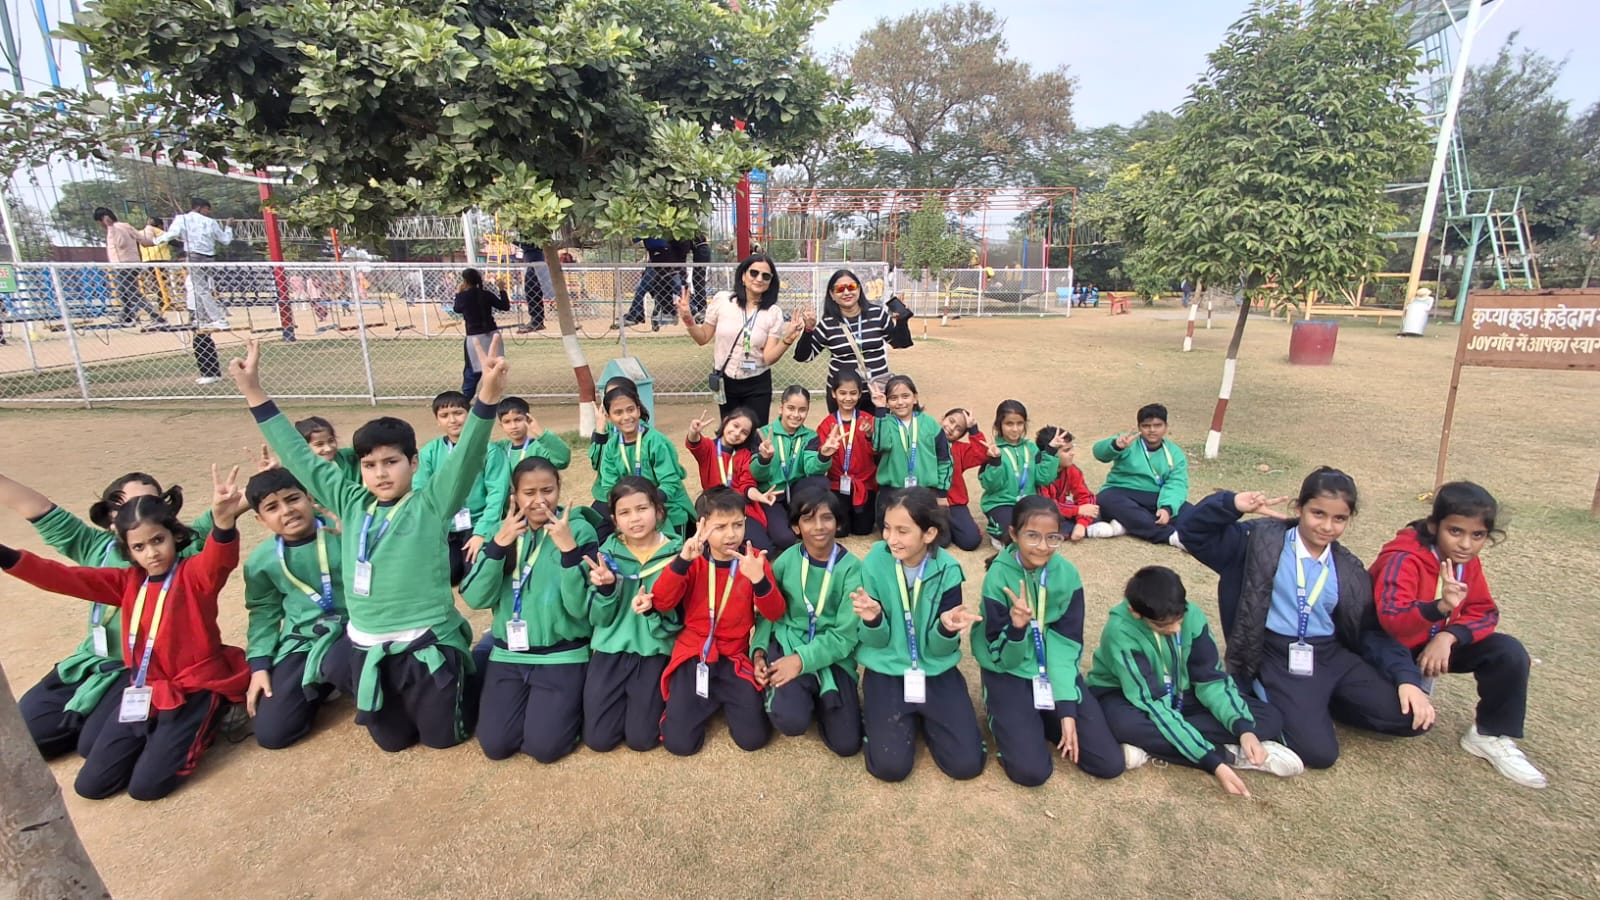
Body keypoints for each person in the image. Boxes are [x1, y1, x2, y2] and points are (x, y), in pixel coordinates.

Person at [232, 335, 508, 752]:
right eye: (369, 464)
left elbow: (468, 454)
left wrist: (487, 394)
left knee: (444, 740)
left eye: (391, 462)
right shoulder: (351, 501)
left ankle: (482, 655)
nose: (380, 473)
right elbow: (300, 458)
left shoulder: (431, 503)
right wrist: (254, 391)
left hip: (424, 644)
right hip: (368, 647)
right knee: (393, 742)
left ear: (412, 463)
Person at [0, 466, 249, 801]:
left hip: (194, 686)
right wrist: (5, 556)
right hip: (145, 685)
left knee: (146, 788)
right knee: (92, 786)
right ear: (127, 549)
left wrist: (224, 522)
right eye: (140, 547)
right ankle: (156, 739)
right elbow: (61, 578)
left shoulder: (194, 573)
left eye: (157, 540)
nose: (152, 553)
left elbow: (220, 557)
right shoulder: (126, 581)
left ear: (174, 533)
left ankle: (207, 717)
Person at [1176, 468, 1436, 770]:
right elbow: (1192, 533)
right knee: (1319, 754)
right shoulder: (1257, 542)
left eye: (1339, 519)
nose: (1326, 526)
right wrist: (1231, 504)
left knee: (1414, 718)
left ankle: (1320, 702)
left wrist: (1407, 680)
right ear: (1299, 508)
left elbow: (1370, 630)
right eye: (1318, 513)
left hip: (1329, 653)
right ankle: (1276, 698)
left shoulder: (1348, 569)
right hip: (1277, 654)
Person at [1370, 482, 1546, 788]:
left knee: (1508, 652)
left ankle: (1489, 734)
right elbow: (1392, 621)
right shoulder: (1404, 558)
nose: (1466, 544)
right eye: (1455, 531)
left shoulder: (1466, 562)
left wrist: (1449, 637)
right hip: (1387, 649)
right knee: (1404, 719)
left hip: (1434, 644)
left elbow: (1485, 612)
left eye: (1477, 535)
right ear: (1434, 525)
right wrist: (1439, 608)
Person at [1087, 565, 1304, 796]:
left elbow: (1210, 679)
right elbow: (1152, 702)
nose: (1175, 628)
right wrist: (1213, 762)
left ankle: (1153, 746)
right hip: (1128, 695)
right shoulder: (1120, 631)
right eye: (1163, 625)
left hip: (1181, 692)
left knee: (1268, 719)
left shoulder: (1193, 616)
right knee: (1123, 725)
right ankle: (1229, 754)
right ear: (1135, 612)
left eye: (1179, 619)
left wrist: (1243, 729)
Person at [973, 497, 1123, 786]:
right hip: (1008, 669)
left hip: (1051, 670)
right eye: (1032, 536)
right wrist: (1017, 629)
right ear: (1014, 534)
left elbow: (1065, 644)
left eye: (1052, 537)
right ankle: (1006, 715)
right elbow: (1000, 654)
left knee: (1108, 762)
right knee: (1031, 772)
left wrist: (1066, 709)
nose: (1043, 546)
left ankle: (1044, 717)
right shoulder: (998, 576)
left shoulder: (1067, 574)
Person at [461, 458, 601, 763]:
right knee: (496, 746)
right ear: (515, 494)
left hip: (562, 654)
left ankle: (569, 710)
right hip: (508, 654)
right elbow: (475, 597)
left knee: (545, 748)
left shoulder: (579, 530)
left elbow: (581, 608)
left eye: (548, 490)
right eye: (529, 492)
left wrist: (568, 551)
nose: (540, 500)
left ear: (559, 488)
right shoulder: (502, 531)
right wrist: (498, 545)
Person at [851, 488, 985, 782]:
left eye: (902, 531)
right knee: (890, 767)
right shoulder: (874, 562)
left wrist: (946, 628)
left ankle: (928, 716)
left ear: (929, 533)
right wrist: (873, 619)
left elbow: (940, 650)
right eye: (887, 528)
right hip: (887, 667)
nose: (891, 538)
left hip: (934, 669)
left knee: (966, 765)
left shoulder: (948, 569)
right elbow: (876, 642)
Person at [647, 488, 786, 756]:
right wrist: (682, 562)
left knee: (753, 739)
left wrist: (759, 580)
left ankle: (719, 697)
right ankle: (696, 701)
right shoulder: (692, 559)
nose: (731, 534)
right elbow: (662, 602)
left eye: (738, 524)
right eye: (720, 527)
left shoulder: (754, 561)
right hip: (695, 654)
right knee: (679, 744)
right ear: (702, 526)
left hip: (733, 656)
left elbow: (774, 613)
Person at [240, 468, 350, 750]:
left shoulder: (343, 531)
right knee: (272, 733)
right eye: (272, 507)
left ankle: (343, 676)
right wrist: (259, 666)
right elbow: (263, 612)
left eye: (293, 499)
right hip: (304, 639)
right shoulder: (261, 561)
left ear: (309, 498)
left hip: (355, 627)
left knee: (344, 664)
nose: (287, 511)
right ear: (260, 519)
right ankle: (322, 683)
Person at [754, 487, 863, 757]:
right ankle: (791, 693)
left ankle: (816, 691)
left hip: (832, 656)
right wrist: (759, 651)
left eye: (827, 518)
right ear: (795, 527)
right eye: (808, 519)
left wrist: (801, 661)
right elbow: (769, 611)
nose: (818, 526)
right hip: (789, 641)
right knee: (791, 721)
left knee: (847, 744)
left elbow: (845, 636)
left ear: (838, 523)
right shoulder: (786, 561)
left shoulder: (853, 569)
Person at [582, 477, 683, 752]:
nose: (635, 518)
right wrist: (606, 589)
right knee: (599, 740)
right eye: (625, 512)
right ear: (614, 520)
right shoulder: (605, 556)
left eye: (642, 509)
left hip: (654, 650)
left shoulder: (678, 556)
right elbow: (598, 618)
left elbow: (681, 618)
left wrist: (655, 609)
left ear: (658, 511)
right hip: (610, 650)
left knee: (642, 739)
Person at [678, 254, 800, 426]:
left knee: (756, 434)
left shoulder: (773, 313)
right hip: (725, 380)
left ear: (771, 282)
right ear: (743, 275)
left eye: (766, 276)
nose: (759, 278)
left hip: (757, 382)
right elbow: (703, 337)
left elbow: (768, 357)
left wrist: (788, 339)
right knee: (730, 433)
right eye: (754, 273)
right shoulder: (723, 301)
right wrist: (688, 319)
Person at [587, 380, 695, 539]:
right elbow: (610, 486)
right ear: (609, 417)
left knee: (670, 551)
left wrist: (647, 504)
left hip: (667, 507)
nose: (626, 417)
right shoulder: (611, 447)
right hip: (633, 509)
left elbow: (670, 482)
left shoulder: (656, 441)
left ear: (638, 410)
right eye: (618, 413)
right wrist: (629, 508)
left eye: (630, 410)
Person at [416, 390, 502, 586]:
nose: (452, 420)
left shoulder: (490, 451)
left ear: (470, 416)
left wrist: (481, 532)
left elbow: (496, 494)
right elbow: (420, 491)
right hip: (444, 526)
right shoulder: (429, 452)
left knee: (475, 577)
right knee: (448, 575)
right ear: (437, 421)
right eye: (444, 415)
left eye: (458, 413)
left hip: (477, 523)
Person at [155, 198, 235, 385]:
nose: (209, 212)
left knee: (201, 289)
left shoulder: (182, 219)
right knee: (202, 288)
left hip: (196, 256)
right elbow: (225, 240)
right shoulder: (209, 222)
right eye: (208, 209)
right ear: (200, 207)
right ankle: (205, 318)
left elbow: (172, 234)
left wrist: (155, 241)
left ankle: (217, 318)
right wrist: (228, 227)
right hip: (209, 257)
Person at [794, 269, 897, 414]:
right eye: (840, 289)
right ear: (832, 295)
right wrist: (808, 330)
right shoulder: (828, 324)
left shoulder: (878, 314)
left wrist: (902, 321)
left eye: (851, 287)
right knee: (844, 429)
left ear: (859, 289)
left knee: (880, 428)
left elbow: (899, 343)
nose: (847, 292)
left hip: (877, 393)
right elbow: (803, 356)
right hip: (843, 395)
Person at [1088, 403, 1191, 547]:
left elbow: (1177, 483)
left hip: (1156, 497)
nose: (1152, 430)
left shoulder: (1175, 453)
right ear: (1139, 427)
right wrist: (1116, 446)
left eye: (1157, 425)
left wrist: (1167, 508)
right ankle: (1170, 536)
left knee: (1190, 512)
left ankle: (1128, 524)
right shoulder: (1127, 441)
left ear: (1166, 427)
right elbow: (1099, 453)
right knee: (1105, 498)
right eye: (1146, 426)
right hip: (1121, 492)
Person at [750, 385, 837, 553]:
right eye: (791, 408)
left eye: (802, 410)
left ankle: (801, 517)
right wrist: (764, 459)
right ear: (781, 408)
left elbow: (811, 469)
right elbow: (757, 475)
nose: (796, 415)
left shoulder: (810, 436)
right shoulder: (763, 434)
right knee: (785, 539)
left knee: (821, 482)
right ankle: (779, 522)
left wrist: (823, 456)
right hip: (773, 494)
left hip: (797, 492)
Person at [977, 400, 1064, 547]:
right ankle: (995, 531)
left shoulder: (1031, 448)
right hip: (1001, 503)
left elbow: (1043, 479)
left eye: (1020, 423)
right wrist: (995, 460)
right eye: (1009, 424)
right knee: (1014, 536)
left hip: (1028, 502)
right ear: (999, 425)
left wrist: (1050, 451)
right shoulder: (993, 449)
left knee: (1041, 530)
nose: (1015, 429)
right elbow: (991, 486)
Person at [684, 407, 772, 551]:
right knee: (707, 546)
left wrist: (760, 496)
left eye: (744, 432)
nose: (737, 433)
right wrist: (693, 432)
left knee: (764, 548)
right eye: (735, 426)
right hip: (713, 506)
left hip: (738, 506)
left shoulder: (744, 455)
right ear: (726, 421)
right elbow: (695, 444)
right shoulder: (709, 447)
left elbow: (747, 484)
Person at [870, 375, 952, 527]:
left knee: (935, 534)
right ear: (887, 401)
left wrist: (941, 494)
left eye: (905, 396)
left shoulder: (930, 423)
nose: (900, 402)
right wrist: (880, 410)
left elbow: (944, 459)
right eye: (893, 398)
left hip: (923, 490)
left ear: (915, 398)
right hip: (893, 489)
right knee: (891, 531)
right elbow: (880, 445)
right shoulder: (884, 422)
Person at [815, 370, 877, 537]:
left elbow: (877, 452)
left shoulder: (868, 420)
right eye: (842, 393)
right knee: (840, 531)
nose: (848, 398)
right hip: (837, 484)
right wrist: (826, 450)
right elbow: (820, 458)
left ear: (860, 394)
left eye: (853, 393)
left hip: (864, 483)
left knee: (863, 530)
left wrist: (870, 435)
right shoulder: (827, 424)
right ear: (834, 394)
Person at [93, 207, 162, 327]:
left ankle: (157, 317)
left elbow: (121, 243)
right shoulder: (126, 226)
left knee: (132, 293)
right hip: (133, 263)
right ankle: (127, 318)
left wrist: (110, 227)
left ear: (103, 219)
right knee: (123, 292)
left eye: (100, 222)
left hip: (123, 265)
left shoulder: (114, 229)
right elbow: (144, 241)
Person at [938, 408, 990, 552]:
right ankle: (945, 529)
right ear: (943, 418)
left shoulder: (959, 449)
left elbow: (981, 455)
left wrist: (973, 430)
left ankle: (954, 526)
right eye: (951, 421)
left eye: (958, 429)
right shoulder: (925, 441)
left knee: (970, 541)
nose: (951, 428)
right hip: (931, 502)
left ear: (961, 435)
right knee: (942, 542)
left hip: (954, 502)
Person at [1034, 426, 1098, 542]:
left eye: (1072, 448)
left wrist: (1081, 523)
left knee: (1095, 510)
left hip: (1063, 509)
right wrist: (1077, 510)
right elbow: (1046, 505)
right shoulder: (1040, 474)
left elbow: (1085, 496)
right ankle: (1089, 531)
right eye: (1066, 450)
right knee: (1046, 522)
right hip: (1042, 513)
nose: (1072, 453)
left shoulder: (1071, 469)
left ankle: (1080, 528)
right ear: (1050, 453)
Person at [453, 268, 509, 398]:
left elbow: (457, 309)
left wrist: (458, 293)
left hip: (474, 336)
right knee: (495, 367)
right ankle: (492, 397)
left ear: (465, 281)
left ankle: (466, 398)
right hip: (492, 335)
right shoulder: (486, 294)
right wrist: (502, 290)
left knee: (472, 370)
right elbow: (504, 306)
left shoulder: (464, 296)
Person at [623, 235, 685, 329]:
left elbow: (629, 241)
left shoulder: (646, 228)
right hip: (662, 256)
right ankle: (641, 313)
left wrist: (624, 232)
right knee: (671, 286)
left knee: (643, 288)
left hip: (659, 257)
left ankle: (635, 314)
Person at [295, 416, 360, 484]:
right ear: (304, 447)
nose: (328, 448)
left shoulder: (349, 456)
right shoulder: (304, 471)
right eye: (319, 444)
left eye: (331, 440)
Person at [515, 243, 550, 333]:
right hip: (533, 262)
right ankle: (536, 320)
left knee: (532, 291)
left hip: (535, 262)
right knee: (532, 291)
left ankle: (537, 320)